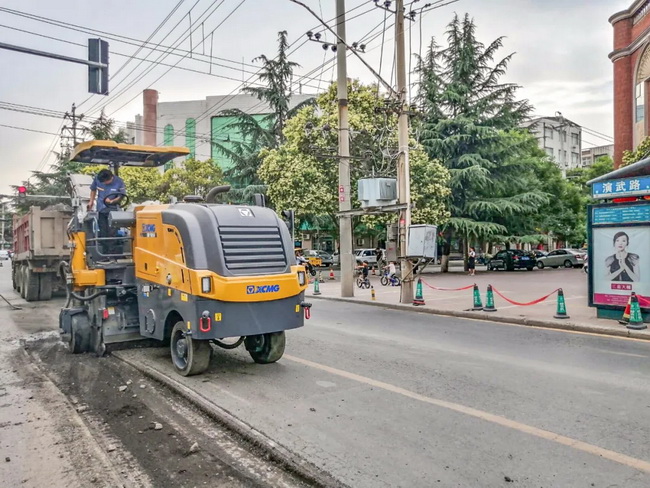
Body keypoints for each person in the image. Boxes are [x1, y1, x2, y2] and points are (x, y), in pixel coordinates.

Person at [87, 169, 127, 256]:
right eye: (103, 182)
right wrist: (91, 201)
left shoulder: (119, 182)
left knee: (112, 233)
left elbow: (121, 196)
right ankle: (104, 254)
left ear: (111, 178)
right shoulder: (98, 179)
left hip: (113, 210)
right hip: (101, 209)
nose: (104, 183)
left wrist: (112, 201)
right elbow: (93, 190)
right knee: (103, 232)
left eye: (106, 182)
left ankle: (112, 254)